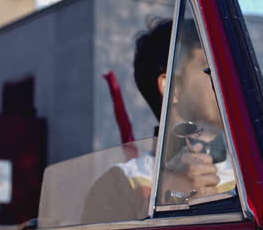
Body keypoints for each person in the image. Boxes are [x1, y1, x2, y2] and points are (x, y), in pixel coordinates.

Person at [81, 18, 234, 224]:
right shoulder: (122, 185)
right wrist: (171, 205)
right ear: (173, 88)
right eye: (210, 68)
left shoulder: (261, 177)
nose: (228, 78)